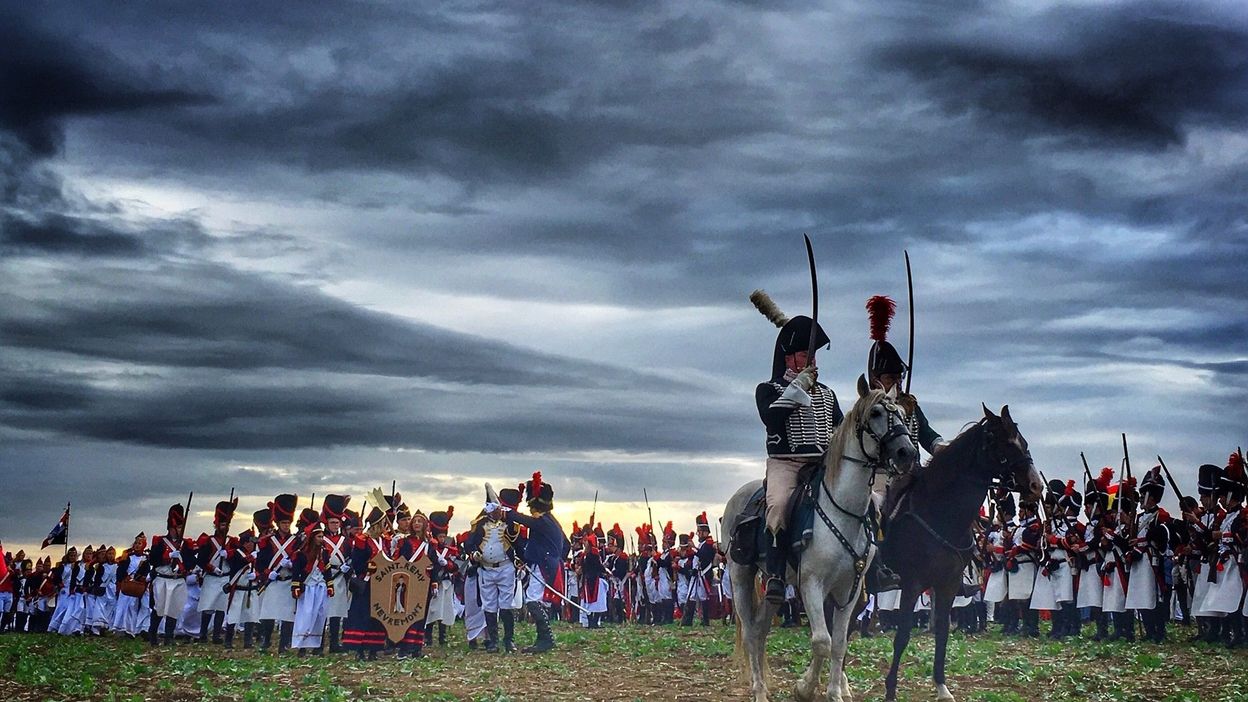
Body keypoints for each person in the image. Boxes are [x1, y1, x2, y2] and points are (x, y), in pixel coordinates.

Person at [750, 290, 841, 604]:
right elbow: (772, 420)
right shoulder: (768, 389)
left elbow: (840, 431)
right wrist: (799, 384)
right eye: (805, 355)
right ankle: (775, 574)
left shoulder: (828, 394)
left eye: (813, 356)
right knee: (777, 506)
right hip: (786, 464)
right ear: (789, 358)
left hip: (822, 464)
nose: (812, 362)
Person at [504, 472, 571, 653]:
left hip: (545, 564)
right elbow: (566, 545)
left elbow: (521, 520)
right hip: (545, 562)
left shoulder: (543, 521)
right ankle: (544, 638)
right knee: (533, 599)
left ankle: (546, 638)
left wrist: (507, 511)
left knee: (533, 600)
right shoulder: (550, 522)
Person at [465, 484, 522, 652]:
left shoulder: (509, 523)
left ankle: (508, 640)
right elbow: (470, 543)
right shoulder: (479, 524)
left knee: (506, 605)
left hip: (505, 568)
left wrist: (521, 559)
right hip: (486, 569)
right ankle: (493, 641)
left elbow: (516, 543)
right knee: (489, 605)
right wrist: (473, 553)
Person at [1126, 466, 1168, 642]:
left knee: (1154, 598)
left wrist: (1143, 542)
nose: (1141, 497)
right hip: (1139, 561)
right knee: (1141, 596)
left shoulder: (1161, 515)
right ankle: (1149, 631)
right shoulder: (1138, 518)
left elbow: (1163, 536)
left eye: (1144, 495)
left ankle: (1158, 631)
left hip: (1152, 561)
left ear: (1152, 497)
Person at [256, 494, 299, 653]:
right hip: (274, 580)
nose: (286, 526)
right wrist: (268, 573)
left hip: (288, 580)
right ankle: (266, 641)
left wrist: (292, 565)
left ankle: (284, 644)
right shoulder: (268, 541)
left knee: (287, 615)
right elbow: (260, 562)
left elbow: (301, 561)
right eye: (283, 523)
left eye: (288, 523)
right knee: (268, 612)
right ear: (278, 523)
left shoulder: (295, 541)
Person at [147, 505, 192, 646]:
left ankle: (169, 637)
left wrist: (182, 558)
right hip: (162, 579)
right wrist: (167, 556)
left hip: (177, 579)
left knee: (174, 609)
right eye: (177, 527)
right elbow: (153, 560)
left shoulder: (186, 544)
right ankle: (152, 635)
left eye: (181, 527)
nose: (179, 530)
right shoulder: (160, 542)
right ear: (171, 528)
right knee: (159, 608)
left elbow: (191, 562)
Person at [196, 497, 238, 645]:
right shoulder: (208, 541)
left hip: (225, 576)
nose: (224, 527)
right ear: (216, 524)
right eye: (222, 524)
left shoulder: (232, 542)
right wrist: (212, 568)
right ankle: (202, 633)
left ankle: (216, 634)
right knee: (208, 606)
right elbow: (200, 560)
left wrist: (229, 556)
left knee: (221, 607)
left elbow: (237, 561)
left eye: (226, 524)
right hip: (212, 577)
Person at [291, 518, 332, 656]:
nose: (321, 539)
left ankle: (317, 646)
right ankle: (302, 647)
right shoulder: (302, 554)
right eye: (319, 536)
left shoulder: (324, 553)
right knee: (306, 615)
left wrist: (330, 585)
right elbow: (296, 572)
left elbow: (327, 570)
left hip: (321, 587)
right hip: (307, 588)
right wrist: (296, 587)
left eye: (322, 536)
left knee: (320, 616)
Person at [319, 495, 353, 653]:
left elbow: (350, 556)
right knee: (321, 611)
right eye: (332, 522)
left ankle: (334, 643)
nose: (335, 525)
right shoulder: (320, 538)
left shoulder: (345, 540)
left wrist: (348, 566)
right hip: (322, 577)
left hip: (339, 578)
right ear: (327, 523)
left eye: (337, 523)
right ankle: (318, 645)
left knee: (336, 612)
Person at [223, 520, 263, 650]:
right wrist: (250, 558)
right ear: (245, 542)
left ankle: (248, 641)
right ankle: (228, 640)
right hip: (239, 589)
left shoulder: (256, 555)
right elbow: (235, 566)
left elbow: (261, 570)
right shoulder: (235, 553)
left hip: (251, 588)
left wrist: (256, 575)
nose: (253, 545)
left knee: (250, 616)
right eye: (251, 542)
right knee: (233, 616)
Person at [426, 507, 458, 646]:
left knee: (444, 609)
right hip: (432, 581)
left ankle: (442, 636)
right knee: (432, 609)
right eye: (440, 536)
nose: (442, 538)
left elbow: (457, 565)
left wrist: (448, 564)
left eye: (443, 536)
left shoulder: (451, 545)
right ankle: (428, 636)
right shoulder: (428, 545)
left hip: (446, 581)